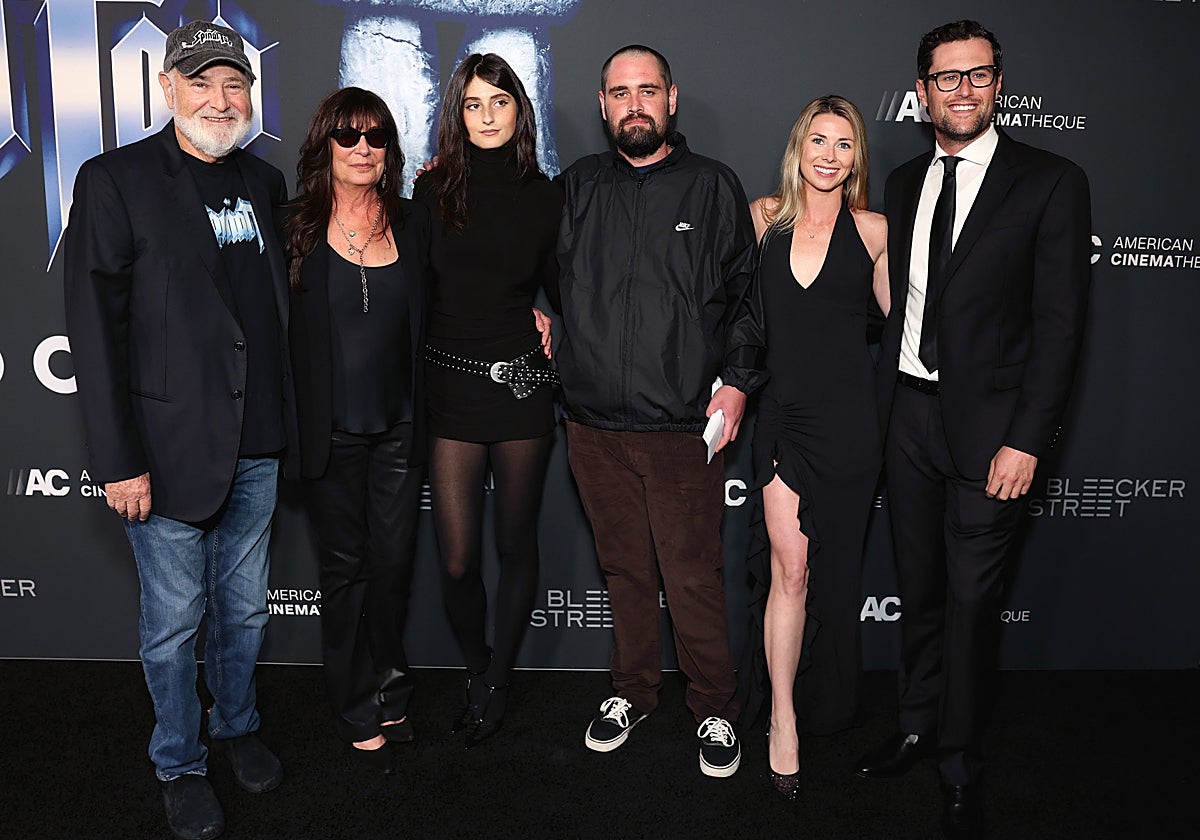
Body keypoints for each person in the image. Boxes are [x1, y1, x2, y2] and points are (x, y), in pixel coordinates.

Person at [856, 20, 1090, 838]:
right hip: (907, 415)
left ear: (998, 83)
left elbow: (1060, 326)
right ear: (921, 92)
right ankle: (916, 724)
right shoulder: (904, 180)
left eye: (978, 75)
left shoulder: (1051, 181)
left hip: (994, 430)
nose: (963, 90)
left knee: (970, 602)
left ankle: (959, 760)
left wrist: (1027, 439)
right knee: (918, 590)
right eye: (946, 78)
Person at [63, 20, 289, 840]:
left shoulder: (265, 182)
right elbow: (94, 330)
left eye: (234, 84)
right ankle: (180, 762)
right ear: (167, 88)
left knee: (246, 613)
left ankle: (236, 725)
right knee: (172, 627)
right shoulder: (115, 179)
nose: (219, 100)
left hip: (259, 442)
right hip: (163, 451)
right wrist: (117, 460)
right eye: (201, 82)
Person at [558, 44, 765, 779]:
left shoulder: (712, 186)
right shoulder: (576, 187)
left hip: (682, 428)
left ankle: (714, 705)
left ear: (671, 99)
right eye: (620, 93)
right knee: (624, 572)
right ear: (603, 105)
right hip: (592, 425)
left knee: (692, 575)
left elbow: (745, 299)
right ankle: (633, 692)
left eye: (648, 90)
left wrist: (737, 382)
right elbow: (524, 267)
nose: (635, 105)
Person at [412, 53, 562, 748]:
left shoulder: (545, 194)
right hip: (450, 387)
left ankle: (498, 679)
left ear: (518, 110)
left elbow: (564, 288)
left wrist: (552, 319)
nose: (488, 116)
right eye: (473, 104)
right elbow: (412, 289)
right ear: (458, 114)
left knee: (515, 543)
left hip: (521, 386)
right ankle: (477, 663)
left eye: (500, 102)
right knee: (457, 560)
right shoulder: (431, 189)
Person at [739, 96, 888, 800]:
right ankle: (783, 718)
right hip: (782, 418)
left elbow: (908, 324)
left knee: (835, 575)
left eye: (844, 144)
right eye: (819, 141)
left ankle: (828, 697)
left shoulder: (875, 230)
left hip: (851, 424)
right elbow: (734, 314)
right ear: (799, 146)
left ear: (857, 158)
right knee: (790, 570)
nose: (829, 155)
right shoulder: (763, 218)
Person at [285, 87, 430, 773]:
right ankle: (352, 703)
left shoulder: (414, 221)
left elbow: (470, 286)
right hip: (332, 433)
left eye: (375, 136)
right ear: (326, 145)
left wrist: (534, 311)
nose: (363, 148)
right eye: (348, 135)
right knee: (345, 573)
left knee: (393, 566)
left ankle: (391, 685)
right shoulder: (294, 228)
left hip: (401, 427)